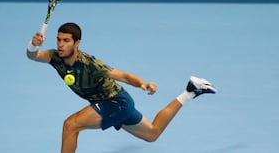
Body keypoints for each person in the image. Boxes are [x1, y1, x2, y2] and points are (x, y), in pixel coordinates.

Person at [27, 22, 216, 153]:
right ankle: (191, 91)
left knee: (70, 125)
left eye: (66, 40)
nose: (60, 44)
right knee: (152, 133)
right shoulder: (55, 57)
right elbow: (33, 56)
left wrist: (142, 83)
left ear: (77, 43)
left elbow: (123, 76)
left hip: (115, 102)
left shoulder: (91, 64)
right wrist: (33, 46)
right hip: (113, 103)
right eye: (59, 39)